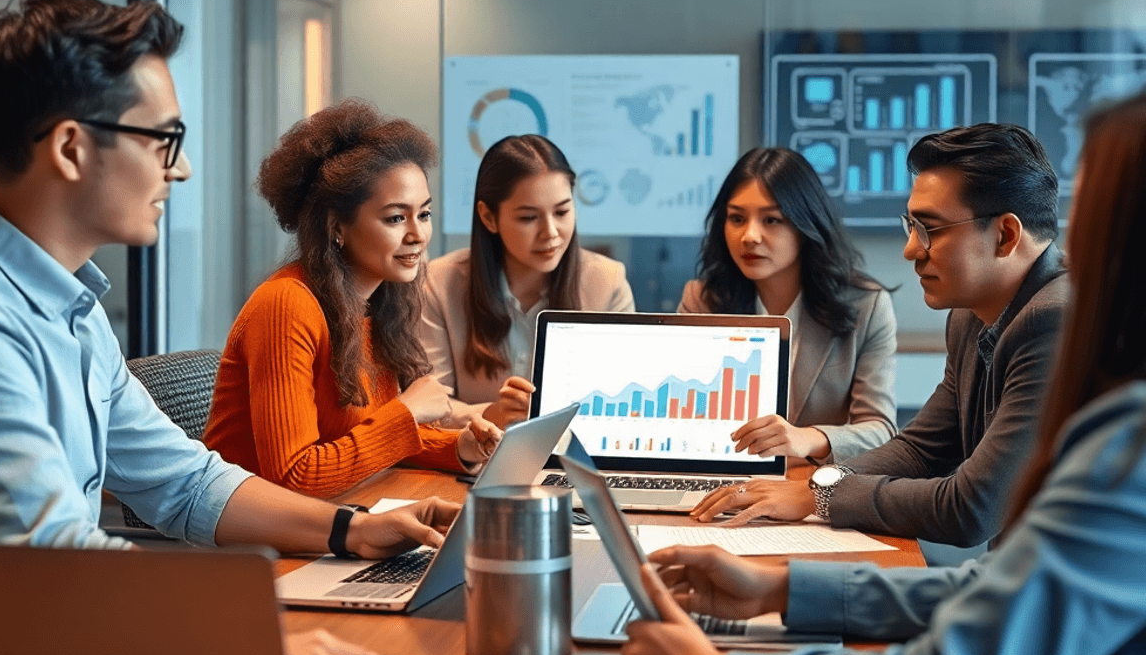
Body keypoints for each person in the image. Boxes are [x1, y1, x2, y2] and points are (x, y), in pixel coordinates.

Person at [622, 92, 1146, 655]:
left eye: (1089, 223)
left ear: (1008, 235)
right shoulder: (979, 317)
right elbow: (975, 542)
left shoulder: (1118, 425)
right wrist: (784, 582)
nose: (908, 248)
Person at [0, 0, 456, 655]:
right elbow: (50, 566)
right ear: (70, 148)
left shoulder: (71, 305)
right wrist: (246, 641)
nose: (178, 172)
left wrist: (352, 531)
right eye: (164, 142)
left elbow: (186, 481)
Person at [694, 125, 1067, 547]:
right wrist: (817, 488)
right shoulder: (969, 314)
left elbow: (971, 509)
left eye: (930, 228)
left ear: (1005, 235)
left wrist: (820, 497)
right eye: (910, 225)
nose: (910, 249)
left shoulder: (1053, 322)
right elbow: (920, 450)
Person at [204, 103, 499, 500]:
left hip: (335, 514)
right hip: (258, 546)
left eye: (423, 214)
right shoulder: (286, 305)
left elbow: (360, 442)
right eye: (396, 218)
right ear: (337, 226)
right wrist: (406, 413)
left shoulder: (378, 303)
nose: (417, 235)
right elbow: (293, 477)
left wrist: (458, 448)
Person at [677, 146, 897, 474]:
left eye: (772, 220)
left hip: (808, 487)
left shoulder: (867, 306)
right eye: (736, 218)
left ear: (806, 225)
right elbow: (680, 418)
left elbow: (881, 431)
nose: (749, 236)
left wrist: (806, 438)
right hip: (724, 482)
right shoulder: (701, 301)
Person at [419, 134, 634, 428]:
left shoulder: (608, 283)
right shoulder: (440, 283)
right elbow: (427, 411)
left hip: (569, 462)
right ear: (489, 217)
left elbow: (622, 406)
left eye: (562, 212)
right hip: (471, 465)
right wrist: (494, 413)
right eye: (529, 217)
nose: (551, 233)